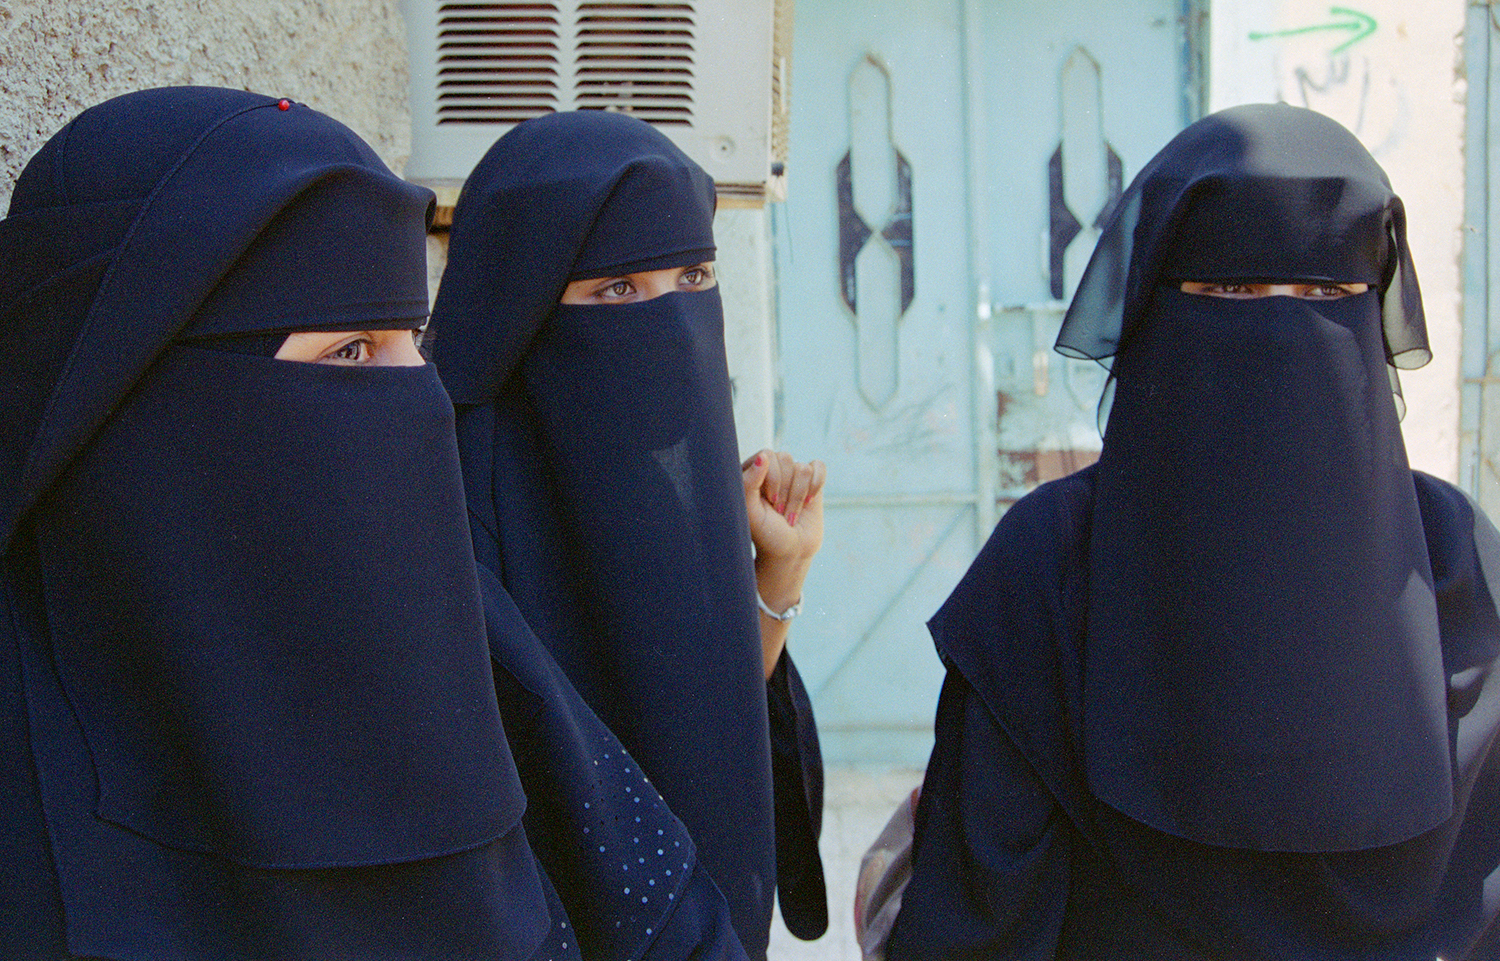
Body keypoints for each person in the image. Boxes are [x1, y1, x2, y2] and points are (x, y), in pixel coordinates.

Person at [0, 86, 743, 961]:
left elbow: (665, 913)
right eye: (351, 352)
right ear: (146, 396)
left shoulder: (465, 633)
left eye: (412, 340)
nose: (420, 399)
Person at [884, 103, 1500, 960]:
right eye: (1233, 290)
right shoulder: (1053, 563)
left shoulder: (1457, 558)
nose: (1281, 328)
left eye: (1325, 293)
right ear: (1155, 311)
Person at [429, 110, 829, 958]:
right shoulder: (447, 500)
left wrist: (777, 576)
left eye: (694, 276)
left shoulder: (652, 476)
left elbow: (692, 709)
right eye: (617, 290)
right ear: (524, 298)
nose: (673, 321)